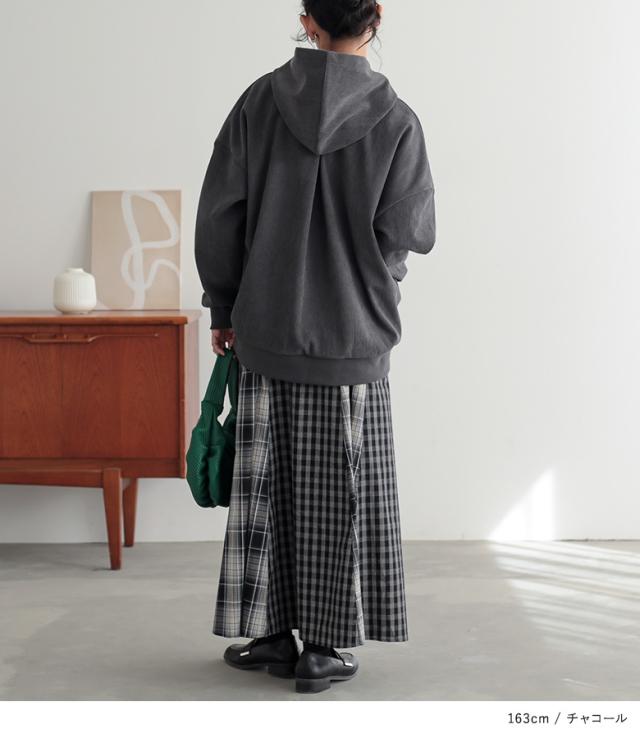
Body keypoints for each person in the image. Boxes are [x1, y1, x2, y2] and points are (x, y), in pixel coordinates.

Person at [194, 0, 435, 694]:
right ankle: (324, 648)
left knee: (266, 488)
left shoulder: (259, 103)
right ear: (375, 18)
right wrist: (374, 278)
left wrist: (224, 303)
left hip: (265, 327)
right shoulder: (397, 119)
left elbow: (221, 213)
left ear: (307, 20)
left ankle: (272, 635)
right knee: (341, 492)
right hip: (353, 338)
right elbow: (407, 231)